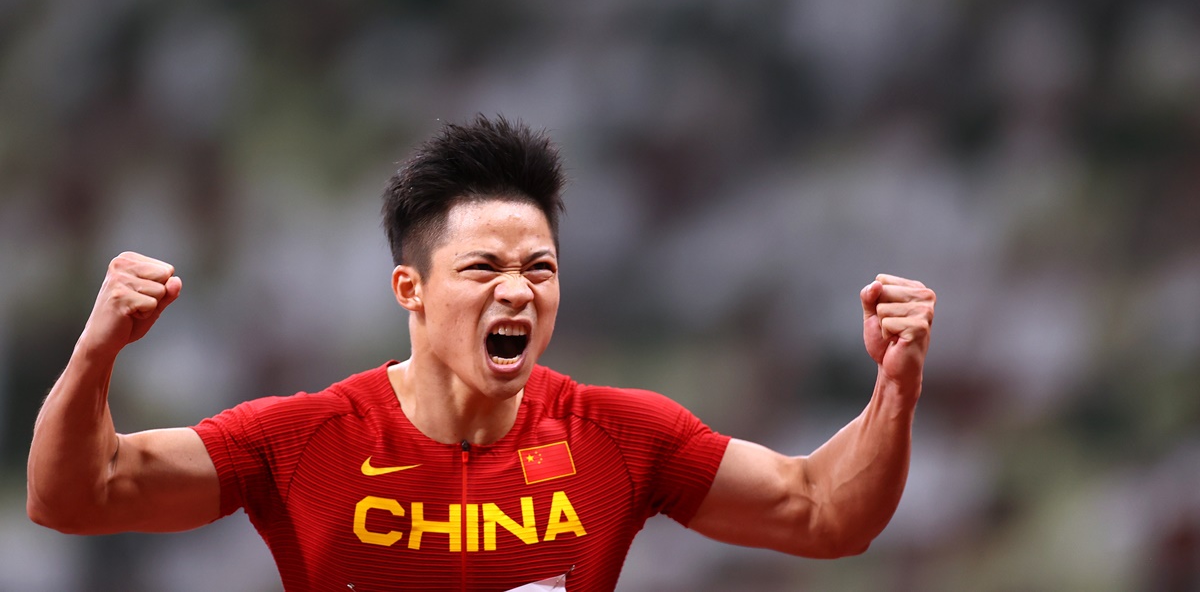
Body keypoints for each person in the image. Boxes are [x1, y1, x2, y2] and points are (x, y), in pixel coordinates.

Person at [27, 115, 936, 592]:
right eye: (485, 268)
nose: (518, 290)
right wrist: (97, 351)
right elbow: (76, 497)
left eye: (540, 266)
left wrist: (895, 387)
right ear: (410, 291)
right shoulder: (301, 441)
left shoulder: (623, 438)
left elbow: (826, 516)